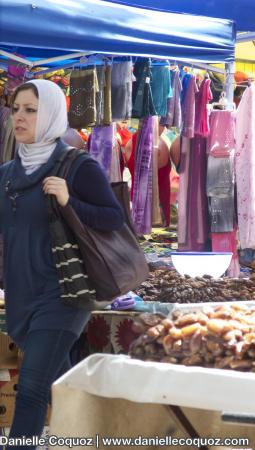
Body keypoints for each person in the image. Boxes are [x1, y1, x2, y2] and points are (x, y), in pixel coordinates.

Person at [0, 79, 124, 447]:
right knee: (62, 385)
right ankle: (101, 435)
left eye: (30, 110)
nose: (18, 117)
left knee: (33, 387)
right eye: (16, 109)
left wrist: (71, 201)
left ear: (52, 114)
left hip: (66, 294)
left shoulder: (76, 165)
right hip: (22, 296)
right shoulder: (7, 175)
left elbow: (114, 219)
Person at [124, 124, 180, 227]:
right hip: (156, 212)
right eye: (163, 124)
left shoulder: (129, 144)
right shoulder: (158, 145)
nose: (165, 128)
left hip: (136, 207)